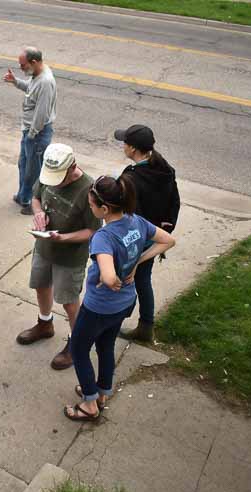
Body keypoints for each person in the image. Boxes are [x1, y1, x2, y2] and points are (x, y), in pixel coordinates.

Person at [64, 175, 175, 422]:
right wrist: (136, 262)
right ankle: (101, 393)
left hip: (98, 307)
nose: (90, 208)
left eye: (92, 205)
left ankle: (90, 405)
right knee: (105, 346)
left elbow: (108, 274)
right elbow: (168, 240)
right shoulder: (136, 222)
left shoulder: (103, 238)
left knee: (79, 349)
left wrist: (110, 278)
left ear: (104, 209)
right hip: (124, 303)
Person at [16, 144, 101, 370]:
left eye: (59, 179)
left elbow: (93, 230)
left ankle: (77, 344)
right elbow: (35, 198)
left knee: (69, 301)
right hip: (44, 247)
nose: (54, 183)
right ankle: (45, 325)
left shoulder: (88, 190)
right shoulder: (48, 173)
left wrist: (64, 238)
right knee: (41, 285)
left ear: (73, 167)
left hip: (70, 257)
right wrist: (39, 214)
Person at [114, 125, 180, 343]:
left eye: (124, 142)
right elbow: (175, 203)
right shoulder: (164, 168)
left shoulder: (130, 179)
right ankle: (145, 326)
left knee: (128, 279)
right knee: (142, 280)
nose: (122, 145)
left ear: (133, 149)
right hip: (156, 235)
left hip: (137, 238)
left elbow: (128, 216)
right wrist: (165, 229)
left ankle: (115, 321)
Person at [4, 46, 57, 215]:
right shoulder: (37, 74)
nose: (21, 68)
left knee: (33, 172)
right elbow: (30, 89)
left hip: (37, 134)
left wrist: (32, 134)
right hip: (29, 132)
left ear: (34, 62)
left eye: (23, 65)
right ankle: (23, 196)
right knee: (23, 165)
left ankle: (34, 203)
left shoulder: (45, 82)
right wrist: (16, 81)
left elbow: (42, 114)